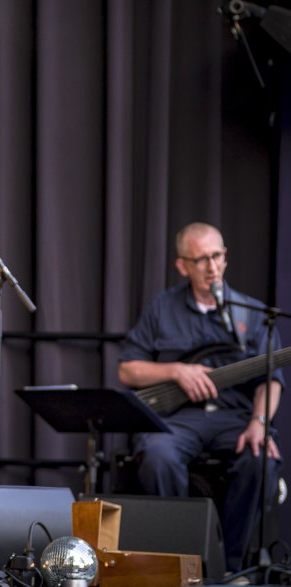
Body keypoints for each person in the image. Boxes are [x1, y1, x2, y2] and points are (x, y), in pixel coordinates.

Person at [118, 222, 283, 572]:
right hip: (179, 418)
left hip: (234, 418)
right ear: (183, 266)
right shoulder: (162, 308)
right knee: (157, 456)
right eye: (201, 259)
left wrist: (259, 422)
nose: (212, 267)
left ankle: (231, 567)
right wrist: (175, 371)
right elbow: (128, 371)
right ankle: (180, 563)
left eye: (217, 256)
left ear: (225, 257)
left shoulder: (252, 313)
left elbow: (271, 382)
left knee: (261, 460)